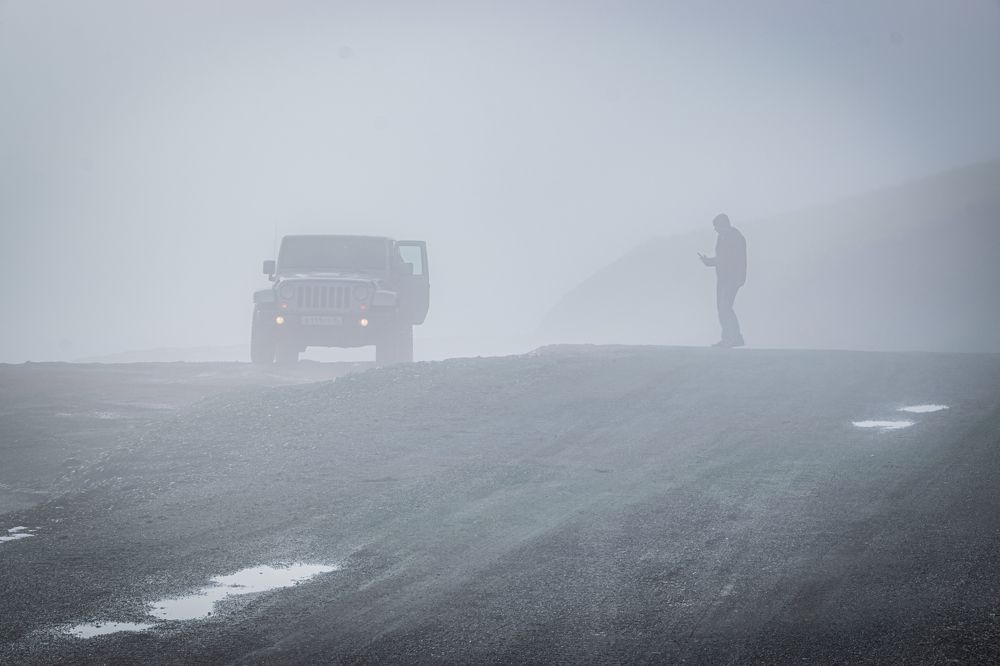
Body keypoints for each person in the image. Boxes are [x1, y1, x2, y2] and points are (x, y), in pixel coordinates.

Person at [699, 213, 747, 347]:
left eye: (717, 227)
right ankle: (728, 338)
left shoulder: (736, 238)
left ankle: (735, 338)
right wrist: (709, 262)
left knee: (725, 307)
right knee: (722, 308)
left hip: (732, 279)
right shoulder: (722, 237)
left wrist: (740, 278)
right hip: (723, 278)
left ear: (724, 225)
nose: (715, 230)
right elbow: (722, 259)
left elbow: (738, 260)